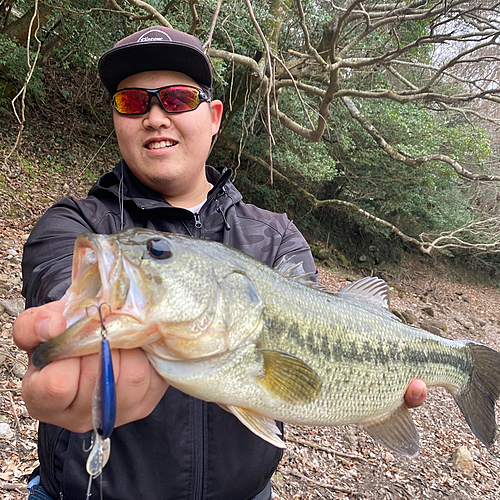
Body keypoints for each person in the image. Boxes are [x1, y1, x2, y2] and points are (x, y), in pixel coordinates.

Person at [13, 26, 427, 500]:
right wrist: (73, 330)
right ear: (117, 120)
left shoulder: (276, 237)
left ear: (213, 118)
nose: (154, 117)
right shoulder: (78, 224)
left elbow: (310, 356)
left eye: (175, 98)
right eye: (132, 102)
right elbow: (59, 286)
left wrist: (379, 395)